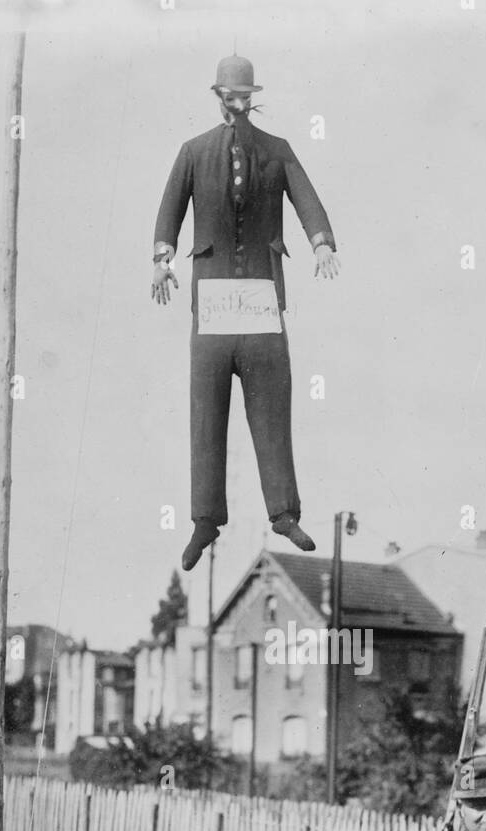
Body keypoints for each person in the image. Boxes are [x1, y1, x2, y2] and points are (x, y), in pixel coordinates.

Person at [151, 54, 339, 571]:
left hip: (261, 304)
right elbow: (170, 208)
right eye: (230, 97)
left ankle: (283, 513)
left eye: (244, 97)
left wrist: (322, 244)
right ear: (218, 97)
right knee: (206, 416)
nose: (238, 105)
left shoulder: (277, 152)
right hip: (211, 308)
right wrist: (162, 259)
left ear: (253, 98)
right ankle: (205, 520)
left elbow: (307, 199)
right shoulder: (193, 153)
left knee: (273, 411)